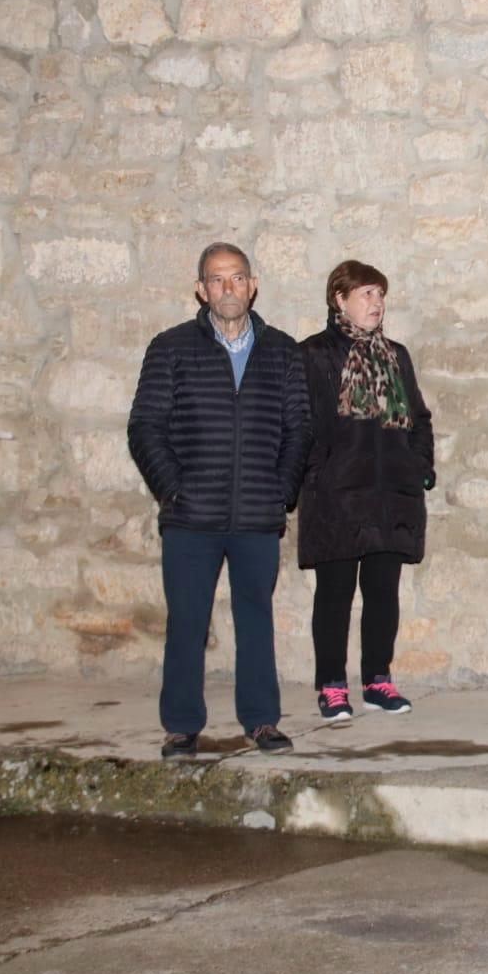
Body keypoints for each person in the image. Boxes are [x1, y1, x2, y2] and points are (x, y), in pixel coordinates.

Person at [128, 242, 310, 760]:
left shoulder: (283, 351)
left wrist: (282, 490)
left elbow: (300, 428)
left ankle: (261, 721)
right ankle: (182, 726)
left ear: (252, 286)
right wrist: (172, 488)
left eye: (237, 279)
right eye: (216, 279)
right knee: (186, 621)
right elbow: (144, 427)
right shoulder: (171, 348)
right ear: (200, 289)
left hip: (256, 513)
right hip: (191, 517)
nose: (228, 289)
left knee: (256, 618)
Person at [297, 261, 435, 723]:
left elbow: (419, 419)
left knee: (383, 593)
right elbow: (300, 425)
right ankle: (331, 685)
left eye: (380, 295)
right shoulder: (315, 355)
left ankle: (378, 680)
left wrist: (419, 470)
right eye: (366, 294)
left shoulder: (396, 355)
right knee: (334, 596)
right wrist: (316, 477)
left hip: (390, 495)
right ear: (340, 299)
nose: (376, 303)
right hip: (336, 496)